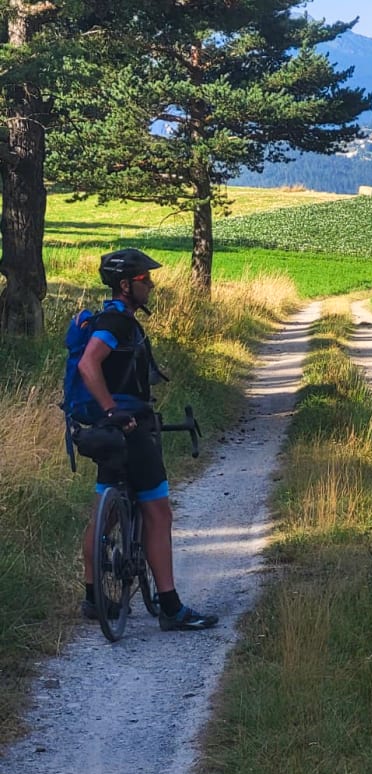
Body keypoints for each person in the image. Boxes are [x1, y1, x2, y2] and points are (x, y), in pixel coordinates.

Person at [79, 248, 218, 631]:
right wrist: (112, 410)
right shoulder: (117, 323)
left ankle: (93, 598)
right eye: (145, 280)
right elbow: (88, 363)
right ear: (126, 285)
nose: (151, 285)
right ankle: (171, 608)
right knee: (159, 513)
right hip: (128, 427)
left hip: (108, 431)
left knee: (104, 513)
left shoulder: (111, 318)